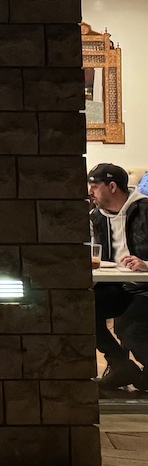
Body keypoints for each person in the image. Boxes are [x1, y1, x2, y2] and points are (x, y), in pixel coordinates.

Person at [88, 163, 148, 390]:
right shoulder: (96, 217)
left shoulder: (145, 210)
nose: (90, 191)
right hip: (118, 286)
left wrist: (146, 265)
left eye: (94, 186)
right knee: (82, 309)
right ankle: (120, 365)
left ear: (112, 186)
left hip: (145, 288)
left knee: (128, 328)